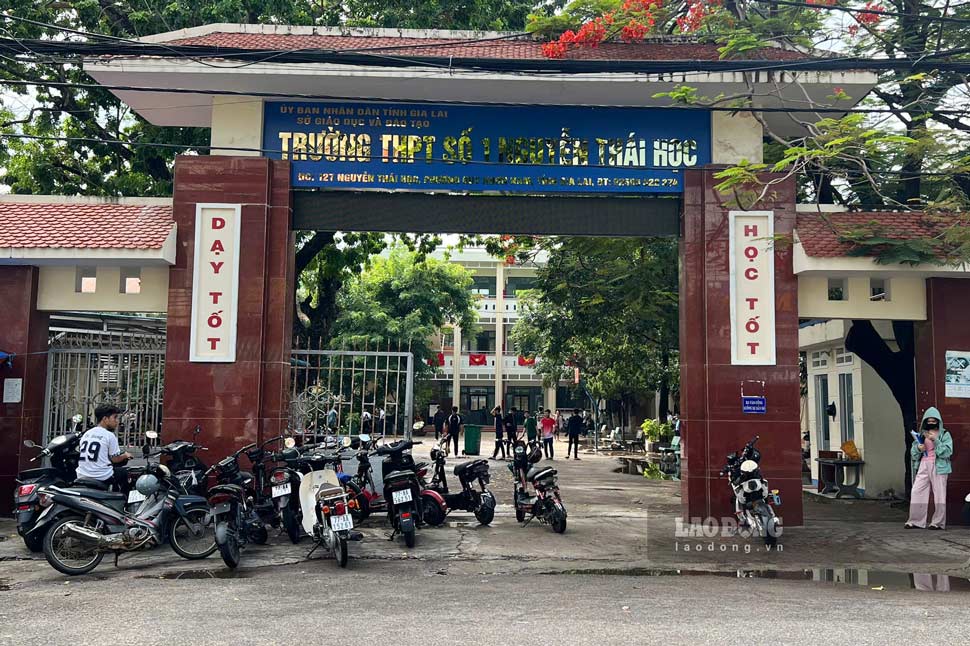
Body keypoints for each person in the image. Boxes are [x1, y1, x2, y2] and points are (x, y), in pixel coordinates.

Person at [905, 407, 953, 530]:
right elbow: (914, 453)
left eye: (934, 420)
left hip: (939, 466)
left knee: (939, 494)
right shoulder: (922, 434)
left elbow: (947, 452)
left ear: (938, 421)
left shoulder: (944, 434)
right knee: (917, 491)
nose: (931, 423)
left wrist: (935, 440)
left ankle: (937, 523)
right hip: (923, 464)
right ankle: (915, 521)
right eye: (929, 420)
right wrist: (918, 448)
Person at [75, 404, 133, 490]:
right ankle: (124, 501)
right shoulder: (109, 435)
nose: (117, 421)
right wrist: (126, 455)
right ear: (105, 419)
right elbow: (115, 459)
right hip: (101, 476)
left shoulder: (87, 433)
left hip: (82, 475)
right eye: (115, 417)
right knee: (124, 473)